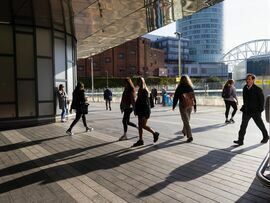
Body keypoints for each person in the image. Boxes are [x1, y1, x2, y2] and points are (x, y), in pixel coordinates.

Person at [234, 73, 269, 145]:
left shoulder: (258, 89)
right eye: (247, 79)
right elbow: (245, 99)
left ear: (253, 80)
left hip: (255, 111)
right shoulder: (244, 88)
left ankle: (266, 136)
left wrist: (259, 111)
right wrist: (244, 107)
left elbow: (262, 101)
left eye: (249, 79)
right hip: (246, 111)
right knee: (243, 125)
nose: (247, 80)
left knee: (260, 125)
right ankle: (240, 140)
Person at [133, 77, 159, 147]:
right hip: (142, 110)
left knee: (142, 125)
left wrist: (142, 112)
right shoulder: (142, 90)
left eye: (137, 82)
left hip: (143, 111)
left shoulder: (144, 90)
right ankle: (141, 140)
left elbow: (145, 103)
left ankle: (154, 134)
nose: (137, 83)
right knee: (141, 125)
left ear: (140, 82)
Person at [172, 75, 196, 143]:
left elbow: (175, 97)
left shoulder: (179, 87)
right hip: (190, 105)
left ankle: (190, 136)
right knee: (187, 119)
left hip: (183, 105)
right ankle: (184, 130)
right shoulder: (190, 87)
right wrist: (195, 106)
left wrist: (173, 106)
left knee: (186, 121)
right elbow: (193, 97)